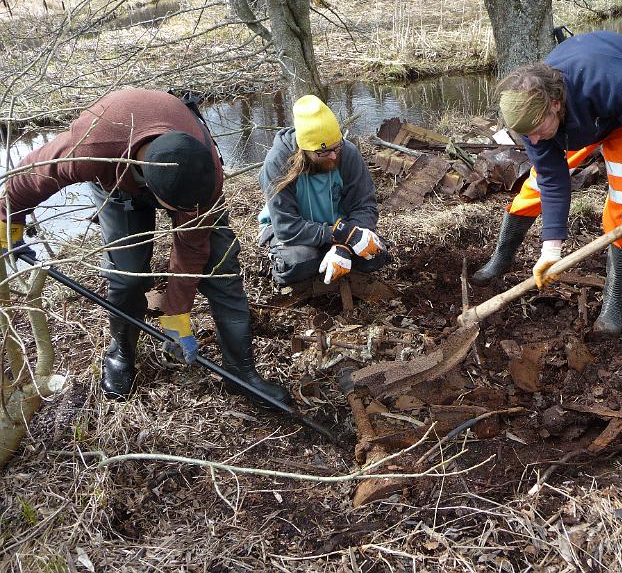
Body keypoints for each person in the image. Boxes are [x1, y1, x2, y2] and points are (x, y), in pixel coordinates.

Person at [0, 89, 291, 406]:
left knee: (221, 269)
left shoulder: (204, 171)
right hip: (116, 183)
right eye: (180, 209)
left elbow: (192, 248)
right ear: (156, 193)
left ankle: (241, 373)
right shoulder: (92, 146)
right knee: (128, 277)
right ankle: (121, 352)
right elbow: (33, 173)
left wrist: (176, 314)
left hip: (186, 168)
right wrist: (7, 220)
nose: (185, 216)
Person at [473, 31, 622, 337]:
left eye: (535, 131)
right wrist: (551, 249)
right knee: (533, 190)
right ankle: (501, 258)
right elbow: (553, 179)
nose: (532, 141)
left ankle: (614, 300)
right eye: (526, 136)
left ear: (555, 103)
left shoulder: (610, 81)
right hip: (573, 126)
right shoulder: (532, 122)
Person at [258, 95, 389, 286]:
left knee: (375, 256)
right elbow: (287, 226)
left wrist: (343, 247)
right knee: (300, 262)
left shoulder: (347, 153)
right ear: (305, 150)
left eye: (337, 146)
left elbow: (364, 206)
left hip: (338, 226)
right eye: (324, 151)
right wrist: (339, 235)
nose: (334, 155)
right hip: (292, 233)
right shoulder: (278, 162)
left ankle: (333, 258)